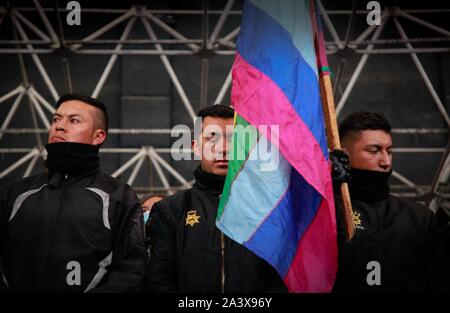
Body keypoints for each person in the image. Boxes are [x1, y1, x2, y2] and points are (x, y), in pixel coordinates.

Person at [0, 93, 146, 292]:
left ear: (98, 136)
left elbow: (131, 269)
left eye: (74, 120)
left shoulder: (119, 196)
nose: (59, 126)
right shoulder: (14, 192)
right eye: (56, 119)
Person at [146, 104, 287, 293]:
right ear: (196, 147)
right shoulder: (170, 210)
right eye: (212, 139)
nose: (223, 149)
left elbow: (282, 280)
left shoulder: (269, 209)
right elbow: (159, 280)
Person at [332, 111, 439, 292]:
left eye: (389, 151)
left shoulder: (420, 218)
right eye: (374, 151)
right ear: (344, 155)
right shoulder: (329, 215)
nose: (386, 161)